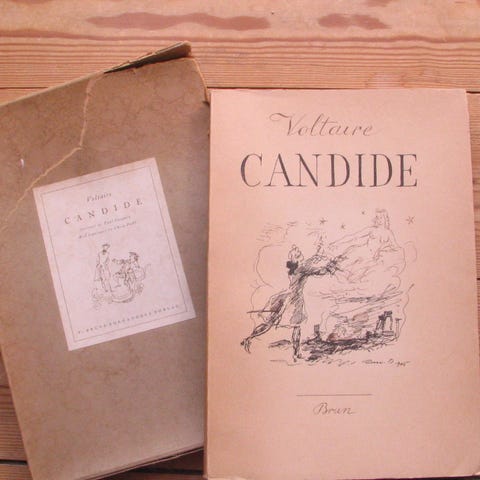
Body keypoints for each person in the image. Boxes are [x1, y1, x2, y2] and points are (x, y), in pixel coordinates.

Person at [241, 248, 341, 361]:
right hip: (295, 299)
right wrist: (332, 264)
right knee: (296, 326)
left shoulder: (294, 268)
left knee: (270, 323)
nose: (301, 253)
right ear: (297, 258)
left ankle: (249, 338)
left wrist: (317, 256)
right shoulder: (302, 268)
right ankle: (296, 354)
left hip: (288, 297)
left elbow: (309, 264)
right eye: (299, 253)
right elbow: (320, 271)